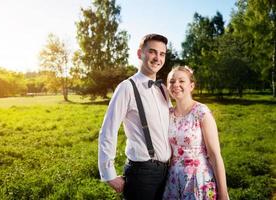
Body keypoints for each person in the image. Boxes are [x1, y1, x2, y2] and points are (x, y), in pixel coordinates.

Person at [98, 33, 171, 200]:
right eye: (152, 52)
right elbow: (108, 130)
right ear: (140, 54)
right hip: (142, 174)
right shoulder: (127, 87)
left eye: (162, 54)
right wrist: (109, 174)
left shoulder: (163, 89)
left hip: (168, 172)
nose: (157, 58)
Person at [163, 66, 229, 200]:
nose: (176, 84)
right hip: (174, 180)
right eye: (172, 81)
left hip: (199, 179)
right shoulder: (168, 114)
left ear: (191, 86)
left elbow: (215, 156)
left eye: (181, 81)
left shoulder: (201, 112)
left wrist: (224, 194)